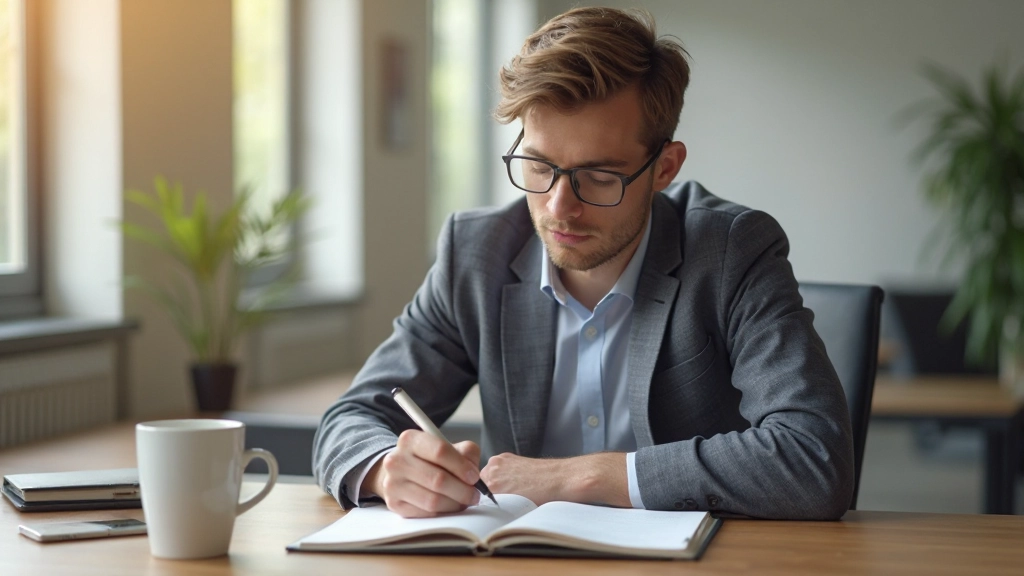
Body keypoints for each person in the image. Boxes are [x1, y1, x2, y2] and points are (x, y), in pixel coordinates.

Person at [313, 6, 854, 520]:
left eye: (599, 176)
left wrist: (585, 477)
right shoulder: (476, 254)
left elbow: (815, 458)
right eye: (539, 165)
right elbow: (350, 419)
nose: (558, 206)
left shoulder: (732, 250)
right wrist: (386, 469)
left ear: (664, 167)